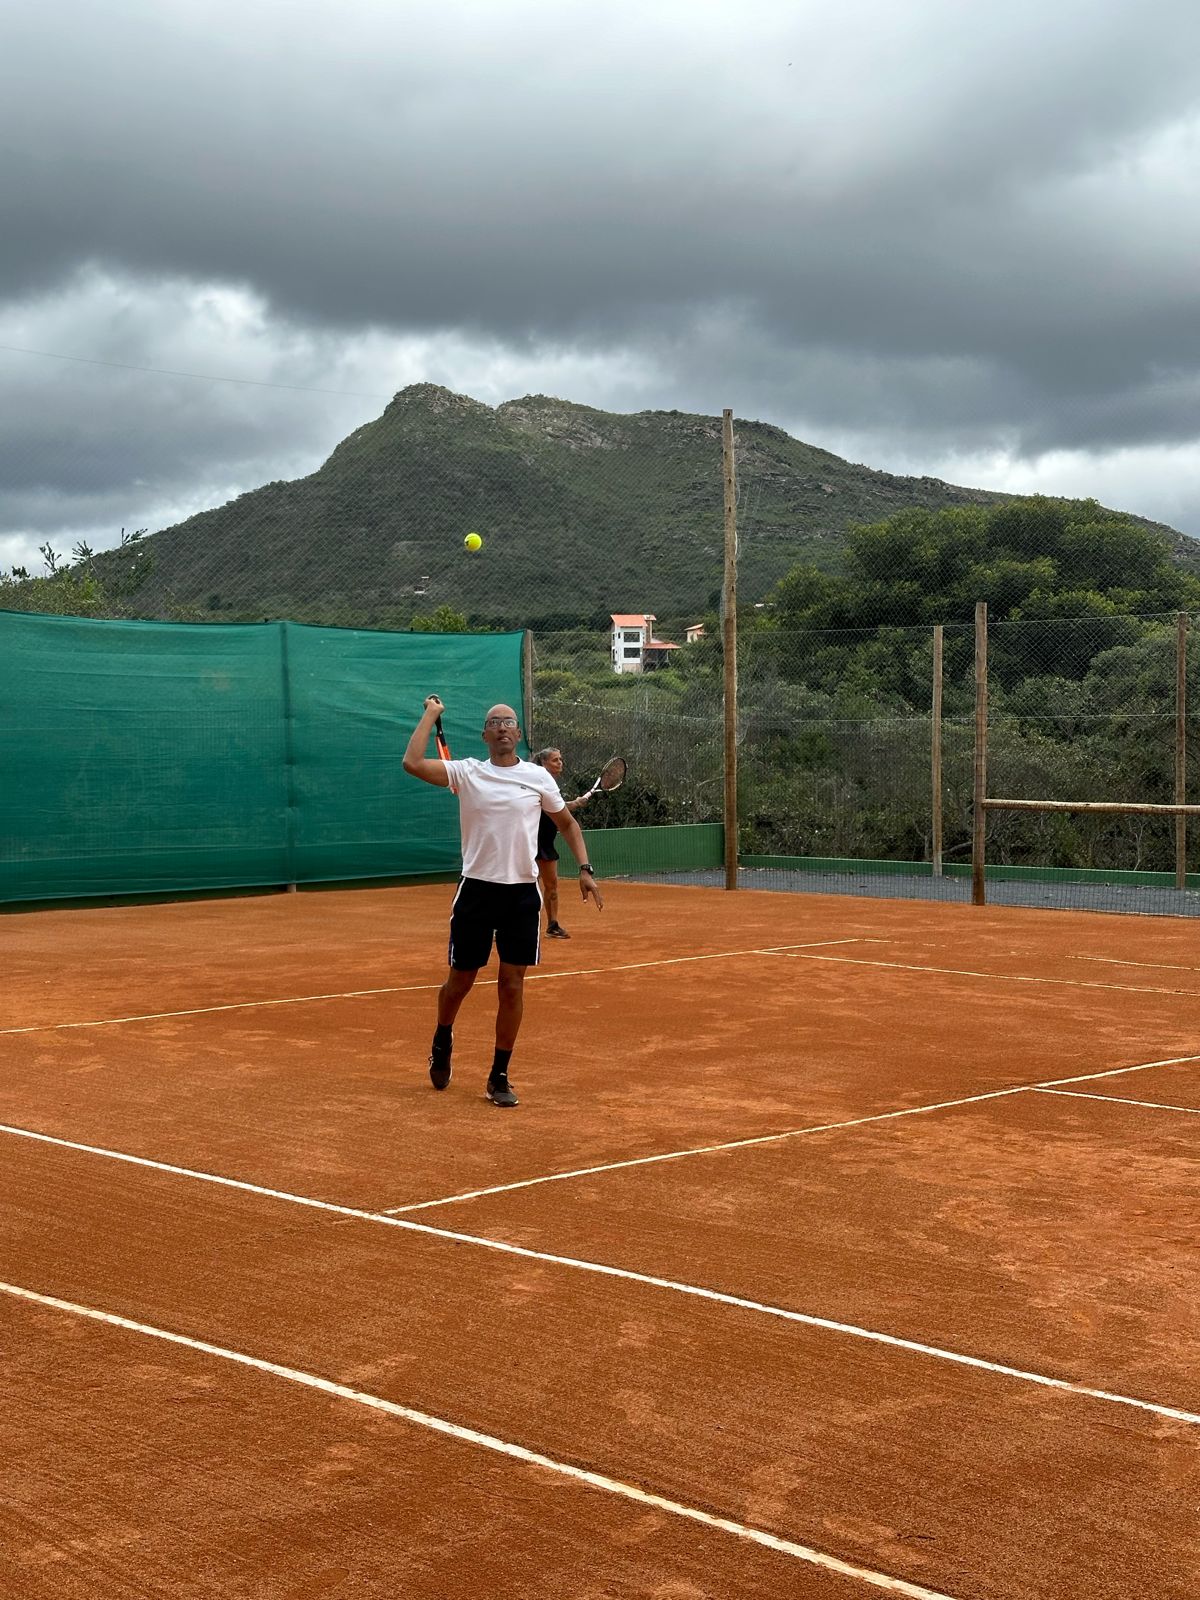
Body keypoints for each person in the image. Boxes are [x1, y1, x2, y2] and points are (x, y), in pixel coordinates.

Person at [402, 696, 603, 1107]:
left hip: (521, 895)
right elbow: (413, 762)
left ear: (518, 733)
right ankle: (442, 1037)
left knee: (512, 986)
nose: (502, 728)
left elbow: (567, 823)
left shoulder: (538, 777)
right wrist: (431, 714)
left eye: (509, 722)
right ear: (485, 736)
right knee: (460, 982)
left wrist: (585, 868)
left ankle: (499, 1076)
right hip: (476, 891)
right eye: (494, 723)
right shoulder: (467, 772)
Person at [532, 747, 591, 938]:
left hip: (546, 843)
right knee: (519, 887)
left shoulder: (552, 786)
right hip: (527, 843)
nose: (560, 763)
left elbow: (558, 807)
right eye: (555, 760)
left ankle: (553, 925)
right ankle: (501, 927)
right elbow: (548, 806)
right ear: (543, 763)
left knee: (552, 886)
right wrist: (574, 803)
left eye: (560, 759)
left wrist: (575, 803)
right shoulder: (533, 781)